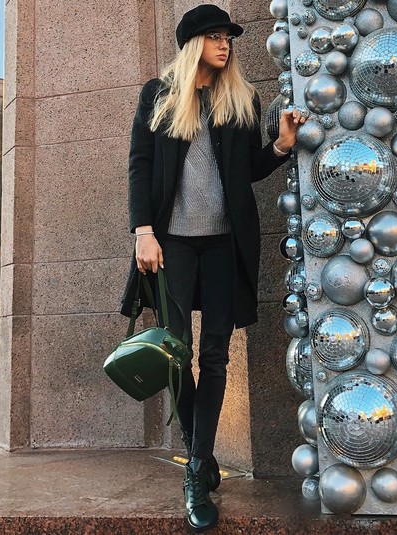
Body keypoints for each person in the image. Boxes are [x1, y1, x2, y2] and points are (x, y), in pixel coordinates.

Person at [121, 4, 304, 532]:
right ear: (191, 44)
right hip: (172, 244)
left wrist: (280, 147)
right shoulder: (158, 95)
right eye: (214, 36)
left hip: (224, 244)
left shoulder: (241, 99)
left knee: (216, 356)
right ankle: (199, 459)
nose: (225, 44)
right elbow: (139, 164)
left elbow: (246, 170)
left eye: (228, 37)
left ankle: (197, 468)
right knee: (176, 354)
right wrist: (143, 232)